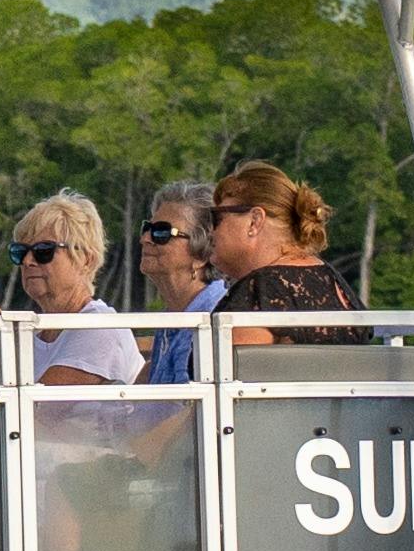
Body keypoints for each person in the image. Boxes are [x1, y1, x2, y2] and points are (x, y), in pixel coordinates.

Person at [205, 159, 351, 351]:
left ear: (254, 222)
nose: (210, 230)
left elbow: (233, 374)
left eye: (217, 218)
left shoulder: (260, 291)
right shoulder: (337, 285)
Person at [6, 191, 139, 384]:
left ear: (85, 259)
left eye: (43, 251)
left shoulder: (99, 328)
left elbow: (41, 410)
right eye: (20, 252)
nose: (27, 261)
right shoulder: (33, 334)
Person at [136, 179, 222, 386]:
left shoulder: (211, 318)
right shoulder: (173, 316)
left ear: (202, 253)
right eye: (147, 228)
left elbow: (189, 412)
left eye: (162, 232)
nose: (146, 239)